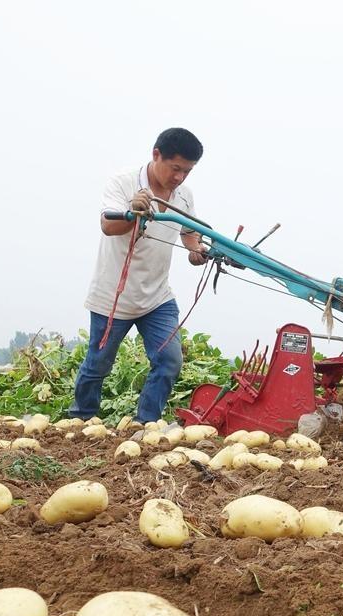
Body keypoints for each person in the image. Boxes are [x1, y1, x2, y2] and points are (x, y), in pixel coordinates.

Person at [69, 127, 208, 423]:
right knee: (98, 365)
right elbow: (108, 225)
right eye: (175, 168)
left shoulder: (184, 196)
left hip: (157, 297)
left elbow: (189, 231)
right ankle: (80, 420)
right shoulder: (124, 183)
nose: (180, 177)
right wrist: (133, 213)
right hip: (113, 298)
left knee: (169, 361)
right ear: (156, 154)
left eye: (187, 171)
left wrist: (195, 249)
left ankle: (145, 424)